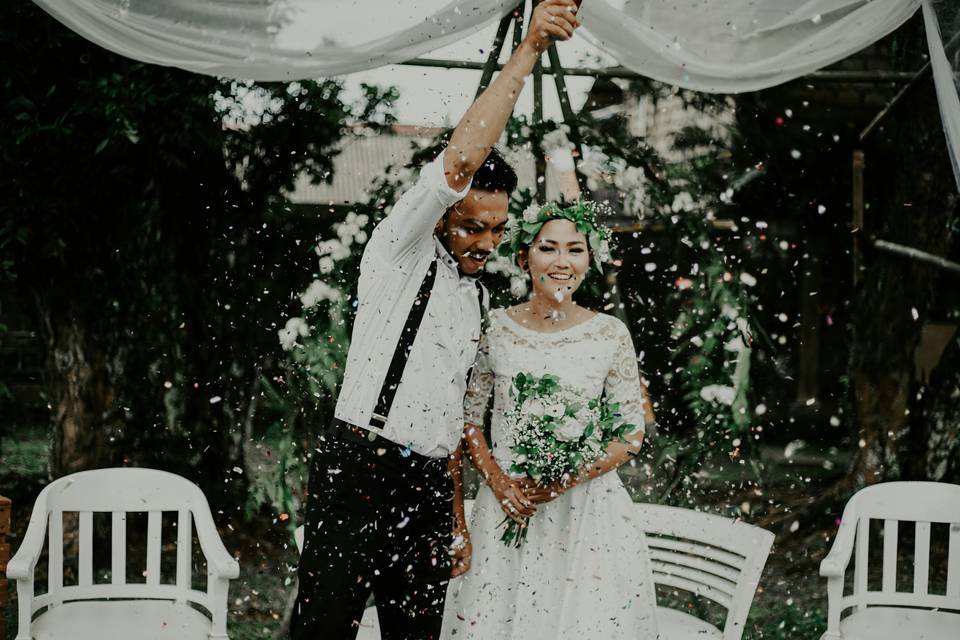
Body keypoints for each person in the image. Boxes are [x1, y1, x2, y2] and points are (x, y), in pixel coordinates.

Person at [291, 2, 583, 638]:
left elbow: (450, 418)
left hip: (426, 484)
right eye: (472, 226)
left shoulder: (474, 297)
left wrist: (452, 515)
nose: (485, 242)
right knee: (323, 629)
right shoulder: (400, 247)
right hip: (359, 465)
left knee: (418, 632)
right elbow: (460, 159)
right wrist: (529, 47)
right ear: (443, 213)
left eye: (498, 231)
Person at [440, 202, 660, 639]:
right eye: (548, 248)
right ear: (524, 257)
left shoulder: (610, 333)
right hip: (507, 506)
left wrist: (564, 478)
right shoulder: (495, 327)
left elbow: (630, 435)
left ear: (589, 260)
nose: (562, 262)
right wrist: (500, 484)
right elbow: (467, 419)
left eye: (575, 250)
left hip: (586, 513)